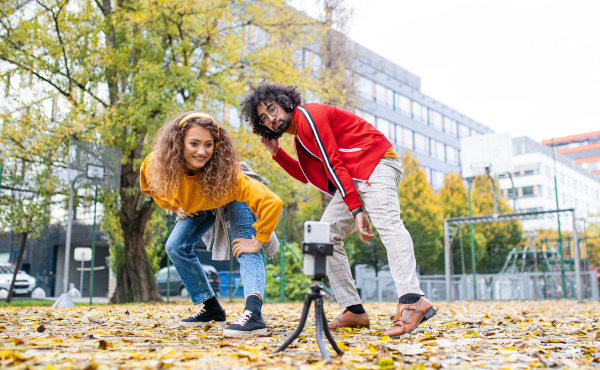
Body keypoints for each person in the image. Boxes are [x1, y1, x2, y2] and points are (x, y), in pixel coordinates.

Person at [240, 84, 437, 337]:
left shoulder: (307, 116)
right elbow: (307, 176)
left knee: (387, 223)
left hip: (375, 162)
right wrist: (278, 154)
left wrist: (356, 209)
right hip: (354, 177)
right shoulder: (300, 139)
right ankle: (354, 310)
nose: (272, 119)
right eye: (264, 119)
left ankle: (413, 299)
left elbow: (333, 160)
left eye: (272, 109)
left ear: (284, 101)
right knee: (324, 234)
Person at [140, 111, 283, 338]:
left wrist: (258, 241)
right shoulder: (158, 163)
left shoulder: (231, 178)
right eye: (194, 143)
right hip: (204, 200)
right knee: (175, 246)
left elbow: (272, 202)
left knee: (243, 243)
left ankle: (253, 314)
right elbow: (149, 185)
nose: (201, 151)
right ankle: (211, 308)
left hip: (226, 191)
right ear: (179, 143)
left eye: (208, 144)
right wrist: (174, 206)